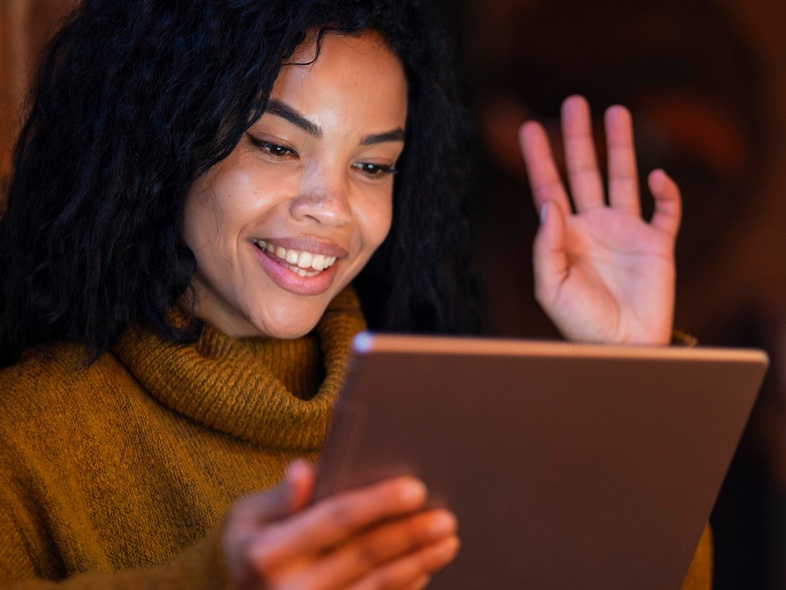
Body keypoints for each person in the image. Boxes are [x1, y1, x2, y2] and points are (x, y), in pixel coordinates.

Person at [0, 0, 709, 588]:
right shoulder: (27, 438)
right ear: (162, 146)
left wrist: (633, 376)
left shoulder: (456, 410)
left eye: (372, 165)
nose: (333, 208)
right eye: (276, 147)